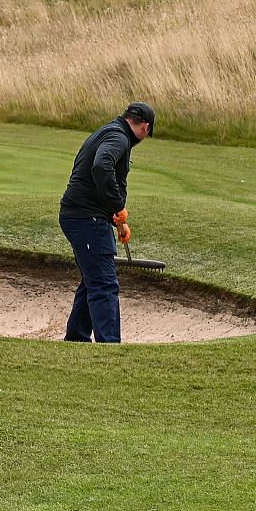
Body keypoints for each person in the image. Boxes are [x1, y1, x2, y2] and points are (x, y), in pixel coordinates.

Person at [58, 101, 154, 343]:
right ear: (145, 128)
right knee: (104, 283)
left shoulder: (109, 130)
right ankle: (110, 346)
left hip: (81, 215)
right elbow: (101, 167)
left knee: (92, 280)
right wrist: (118, 207)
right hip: (85, 219)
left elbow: (97, 177)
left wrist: (114, 216)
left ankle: (76, 337)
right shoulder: (119, 138)